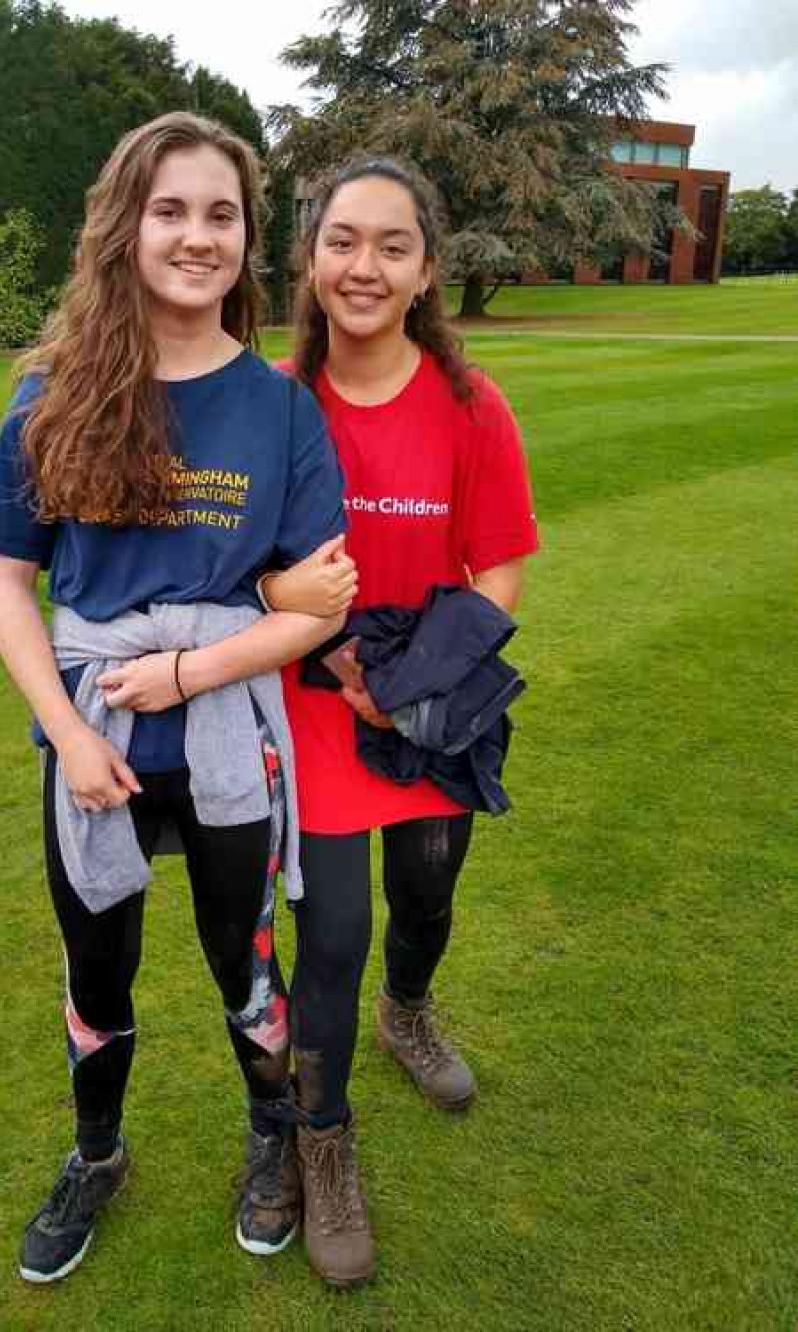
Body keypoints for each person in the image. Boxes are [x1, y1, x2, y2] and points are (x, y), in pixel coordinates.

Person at [0, 112, 348, 1284]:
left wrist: (189, 670)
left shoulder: (279, 407)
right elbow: (7, 579)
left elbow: (317, 602)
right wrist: (72, 733)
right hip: (95, 746)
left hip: (228, 733)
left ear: (245, 237)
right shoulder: (54, 393)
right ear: (124, 227)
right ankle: (95, 1153)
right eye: (170, 211)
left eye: (221, 213)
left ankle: (272, 1138)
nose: (197, 237)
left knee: (244, 957)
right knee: (97, 966)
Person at [258, 158, 539, 1288]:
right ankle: (323, 1144)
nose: (361, 266)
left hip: (431, 717)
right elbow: (247, 569)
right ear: (311, 258)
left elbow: (503, 564)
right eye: (340, 241)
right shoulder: (276, 404)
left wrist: (415, 683)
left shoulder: (472, 405)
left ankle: (409, 1015)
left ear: (426, 268)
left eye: (389, 245)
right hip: (316, 720)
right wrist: (331, 653)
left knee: (427, 895)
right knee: (328, 940)